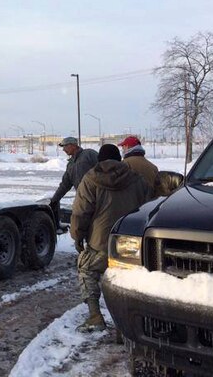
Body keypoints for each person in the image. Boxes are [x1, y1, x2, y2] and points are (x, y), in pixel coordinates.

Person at [70, 144, 149, 332]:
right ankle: (129, 324)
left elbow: (80, 212)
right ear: (120, 159)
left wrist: (77, 236)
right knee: (131, 280)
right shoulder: (137, 179)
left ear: (99, 160)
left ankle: (95, 316)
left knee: (86, 270)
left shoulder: (90, 180)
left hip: (100, 242)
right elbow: (148, 208)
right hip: (131, 243)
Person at [49, 137, 98, 222]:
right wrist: (54, 200)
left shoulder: (89, 154)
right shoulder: (70, 164)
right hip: (83, 200)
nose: (63, 149)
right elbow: (64, 185)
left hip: (98, 198)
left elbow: (104, 168)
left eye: (65, 146)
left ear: (73, 146)